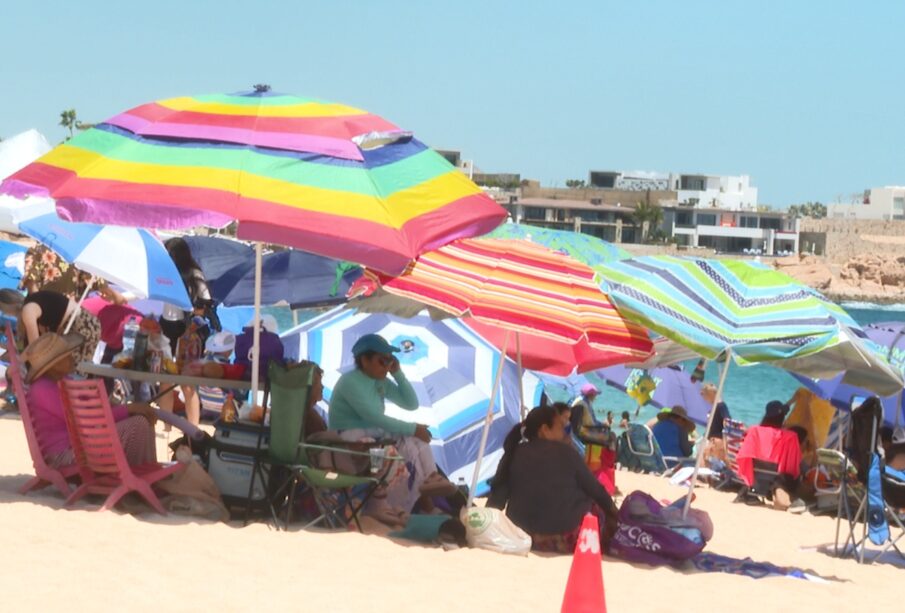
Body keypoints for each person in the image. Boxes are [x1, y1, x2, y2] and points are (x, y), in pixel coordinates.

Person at [328, 333, 453, 511]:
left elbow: (411, 404)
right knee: (403, 441)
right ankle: (410, 506)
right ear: (364, 360)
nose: (387, 366)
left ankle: (431, 478)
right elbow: (375, 418)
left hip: (372, 441)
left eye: (390, 360)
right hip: (349, 446)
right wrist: (413, 428)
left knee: (416, 440)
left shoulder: (380, 381)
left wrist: (398, 374)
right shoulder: (350, 382)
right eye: (382, 361)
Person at [487, 405, 619, 553]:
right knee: (597, 506)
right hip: (563, 537)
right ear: (545, 430)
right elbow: (596, 490)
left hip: (520, 535)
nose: (564, 432)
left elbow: (497, 498)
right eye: (561, 427)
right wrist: (616, 515)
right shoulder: (567, 453)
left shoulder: (513, 452)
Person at [21, 332, 158, 467]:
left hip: (77, 445)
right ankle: (139, 474)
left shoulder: (61, 381)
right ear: (55, 364)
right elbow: (85, 419)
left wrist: (125, 409)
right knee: (138, 423)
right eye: (66, 356)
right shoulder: (42, 389)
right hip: (64, 454)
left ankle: (145, 472)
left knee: (144, 417)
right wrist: (129, 409)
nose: (72, 358)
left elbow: (92, 409)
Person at [0, 288, 101, 367]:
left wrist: (18, 361)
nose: (3, 312)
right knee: (80, 369)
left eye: (2, 309)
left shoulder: (28, 310)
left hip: (81, 326)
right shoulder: (33, 302)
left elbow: (35, 347)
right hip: (88, 323)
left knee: (74, 369)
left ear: (7, 304)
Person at [736, 400, 802, 510]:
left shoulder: (754, 431)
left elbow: (745, 453)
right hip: (777, 476)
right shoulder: (790, 436)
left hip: (756, 474)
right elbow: (793, 462)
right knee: (797, 473)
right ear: (782, 417)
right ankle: (783, 495)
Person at [161, 237, 217, 354]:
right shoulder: (170, 271)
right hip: (169, 322)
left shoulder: (193, 274)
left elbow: (205, 304)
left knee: (180, 361)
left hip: (185, 325)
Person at [701, 383, 730, 462]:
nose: (702, 397)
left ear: (710, 394)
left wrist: (725, 442)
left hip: (717, 440)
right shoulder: (715, 406)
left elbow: (726, 422)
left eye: (703, 394)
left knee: (708, 461)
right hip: (712, 439)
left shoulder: (721, 406)